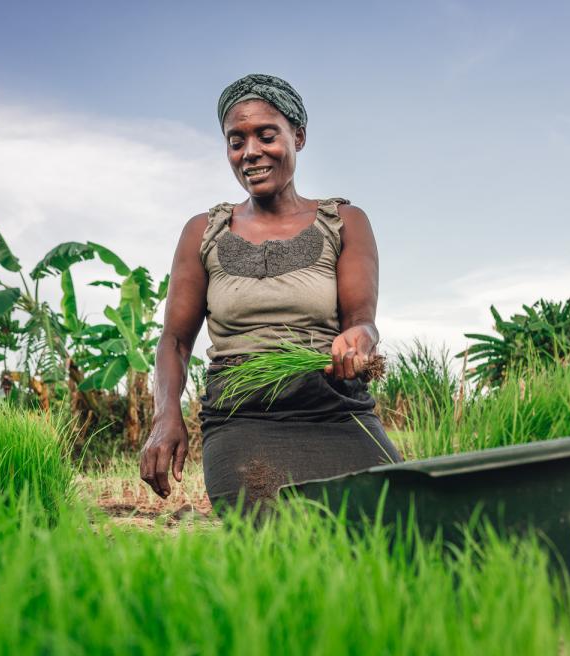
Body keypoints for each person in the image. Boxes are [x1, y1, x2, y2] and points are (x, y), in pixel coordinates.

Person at [139, 73, 401, 508]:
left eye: (266, 135)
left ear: (297, 137)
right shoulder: (203, 232)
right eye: (236, 141)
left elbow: (360, 321)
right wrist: (166, 415)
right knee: (279, 544)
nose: (251, 153)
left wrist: (360, 340)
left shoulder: (344, 221)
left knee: (396, 526)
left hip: (335, 410)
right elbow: (175, 341)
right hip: (242, 417)